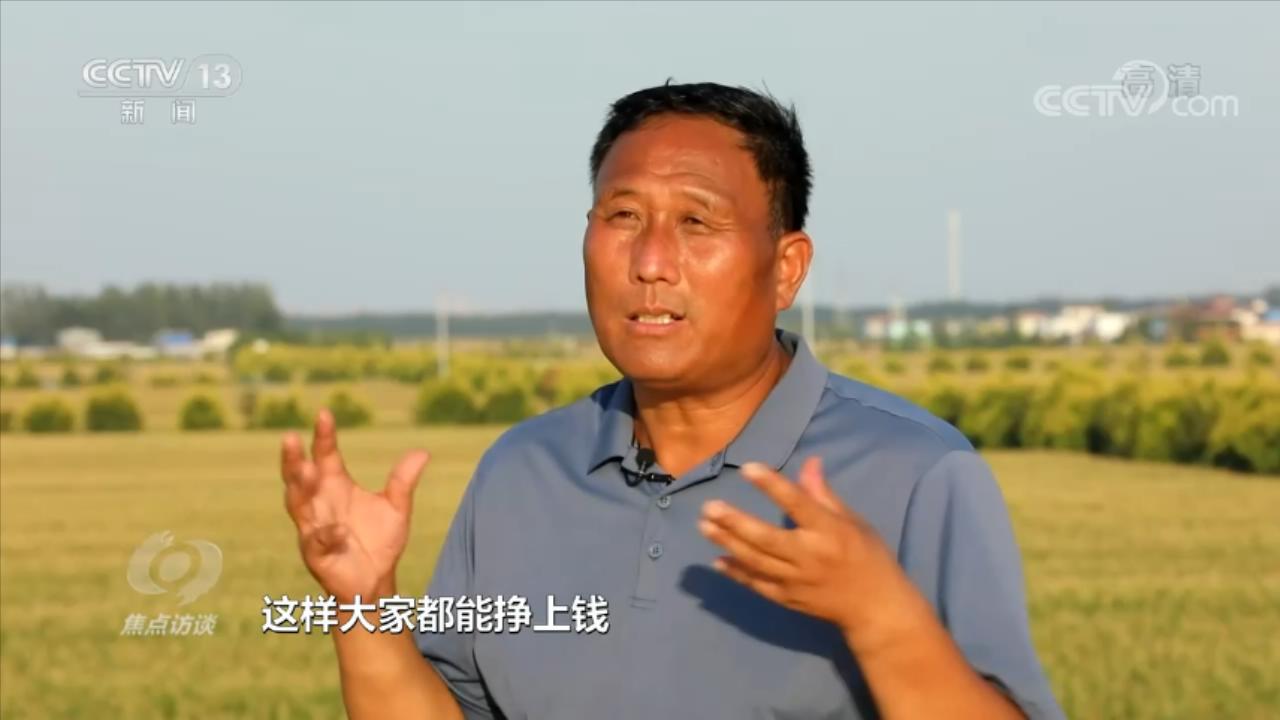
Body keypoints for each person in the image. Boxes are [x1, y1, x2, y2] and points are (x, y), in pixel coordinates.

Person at [279, 81, 1064, 720]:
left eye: (696, 221)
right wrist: (364, 605)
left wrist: (881, 617)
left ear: (787, 268)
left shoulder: (916, 474)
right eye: (623, 216)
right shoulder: (522, 472)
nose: (650, 262)